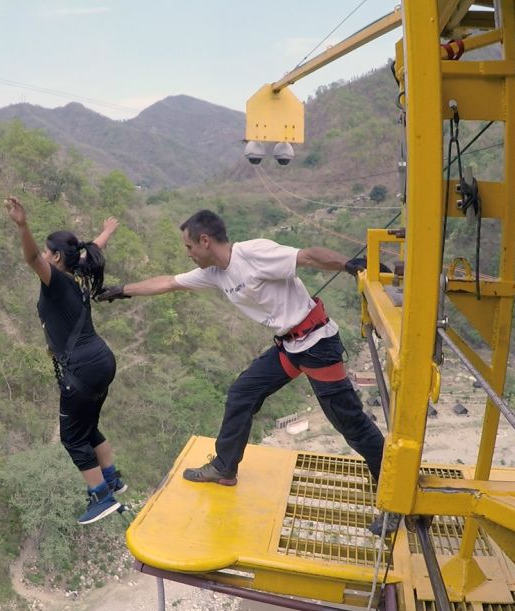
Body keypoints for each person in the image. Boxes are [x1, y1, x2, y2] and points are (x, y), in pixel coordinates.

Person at [97, 209, 395, 535]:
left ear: (205, 241)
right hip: (289, 347)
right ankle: (225, 468)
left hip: (317, 345)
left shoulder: (252, 253)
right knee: (243, 393)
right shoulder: (214, 272)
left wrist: (351, 264)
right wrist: (122, 290)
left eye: (189, 247)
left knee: (349, 423)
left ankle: (395, 498)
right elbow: (168, 283)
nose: (188, 254)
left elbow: (307, 256)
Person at [4, 196, 126, 525]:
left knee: (72, 438)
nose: (43, 256)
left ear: (56, 258)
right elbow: (90, 250)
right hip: (102, 360)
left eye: (48, 252)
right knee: (87, 428)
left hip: (82, 369)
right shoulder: (79, 274)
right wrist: (106, 232)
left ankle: (101, 495)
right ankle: (112, 477)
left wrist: (22, 225)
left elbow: (30, 257)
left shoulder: (56, 282)